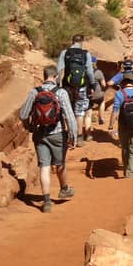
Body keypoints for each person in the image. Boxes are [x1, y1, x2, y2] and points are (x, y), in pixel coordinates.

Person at [19, 65, 76, 212]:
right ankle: (64, 189)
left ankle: (46, 202)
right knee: (60, 164)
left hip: (40, 134)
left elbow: (23, 114)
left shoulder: (35, 92)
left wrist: (30, 127)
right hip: (58, 134)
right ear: (56, 77)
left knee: (44, 167)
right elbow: (69, 116)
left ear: (44, 76)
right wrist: (73, 136)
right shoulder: (61, 92)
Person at [55, 35, 96, 144]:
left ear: (72, 41)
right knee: (80, 112)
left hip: (67, 87)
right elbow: (90, 72)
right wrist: (92, 85)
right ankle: (79, 137)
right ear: (82, 42)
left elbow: (59, 70)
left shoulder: (65, 52)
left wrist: (58, 84)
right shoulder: (86, 53)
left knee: (67, 110)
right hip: (81, 87)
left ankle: (70, 136)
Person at [82, 56, 106, 141]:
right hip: (97, 95)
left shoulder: (83, 72)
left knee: (88, 115)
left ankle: (89, 135)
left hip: (86, 95)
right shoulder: (98, 72)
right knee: (102, 101)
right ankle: (101, 117)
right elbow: (104, 84)